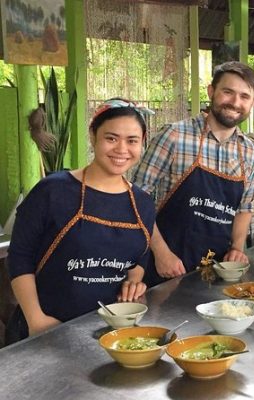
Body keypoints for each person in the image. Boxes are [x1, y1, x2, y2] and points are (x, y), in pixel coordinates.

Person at [6, 98, 155, 344]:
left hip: (108, 333)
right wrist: (36, 320)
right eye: (111, 138)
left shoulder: (143, 204)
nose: (121, 149)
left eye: (132, 141)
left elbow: (139, 261)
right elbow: (20, 256)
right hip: (45, 327)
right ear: (93, 136)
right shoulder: (53, 190)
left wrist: (134, 284)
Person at [133, 61, 254, 287]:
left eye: (244, 96)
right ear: (211, 91)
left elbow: (244, 209)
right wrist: (161, 253)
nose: (235, 102)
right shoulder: (174, 136)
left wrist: (237, 249)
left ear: (252, 103)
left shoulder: (249, 152)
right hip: (166, 268)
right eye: (228, 92)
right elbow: (135, 198)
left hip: (217, 271)